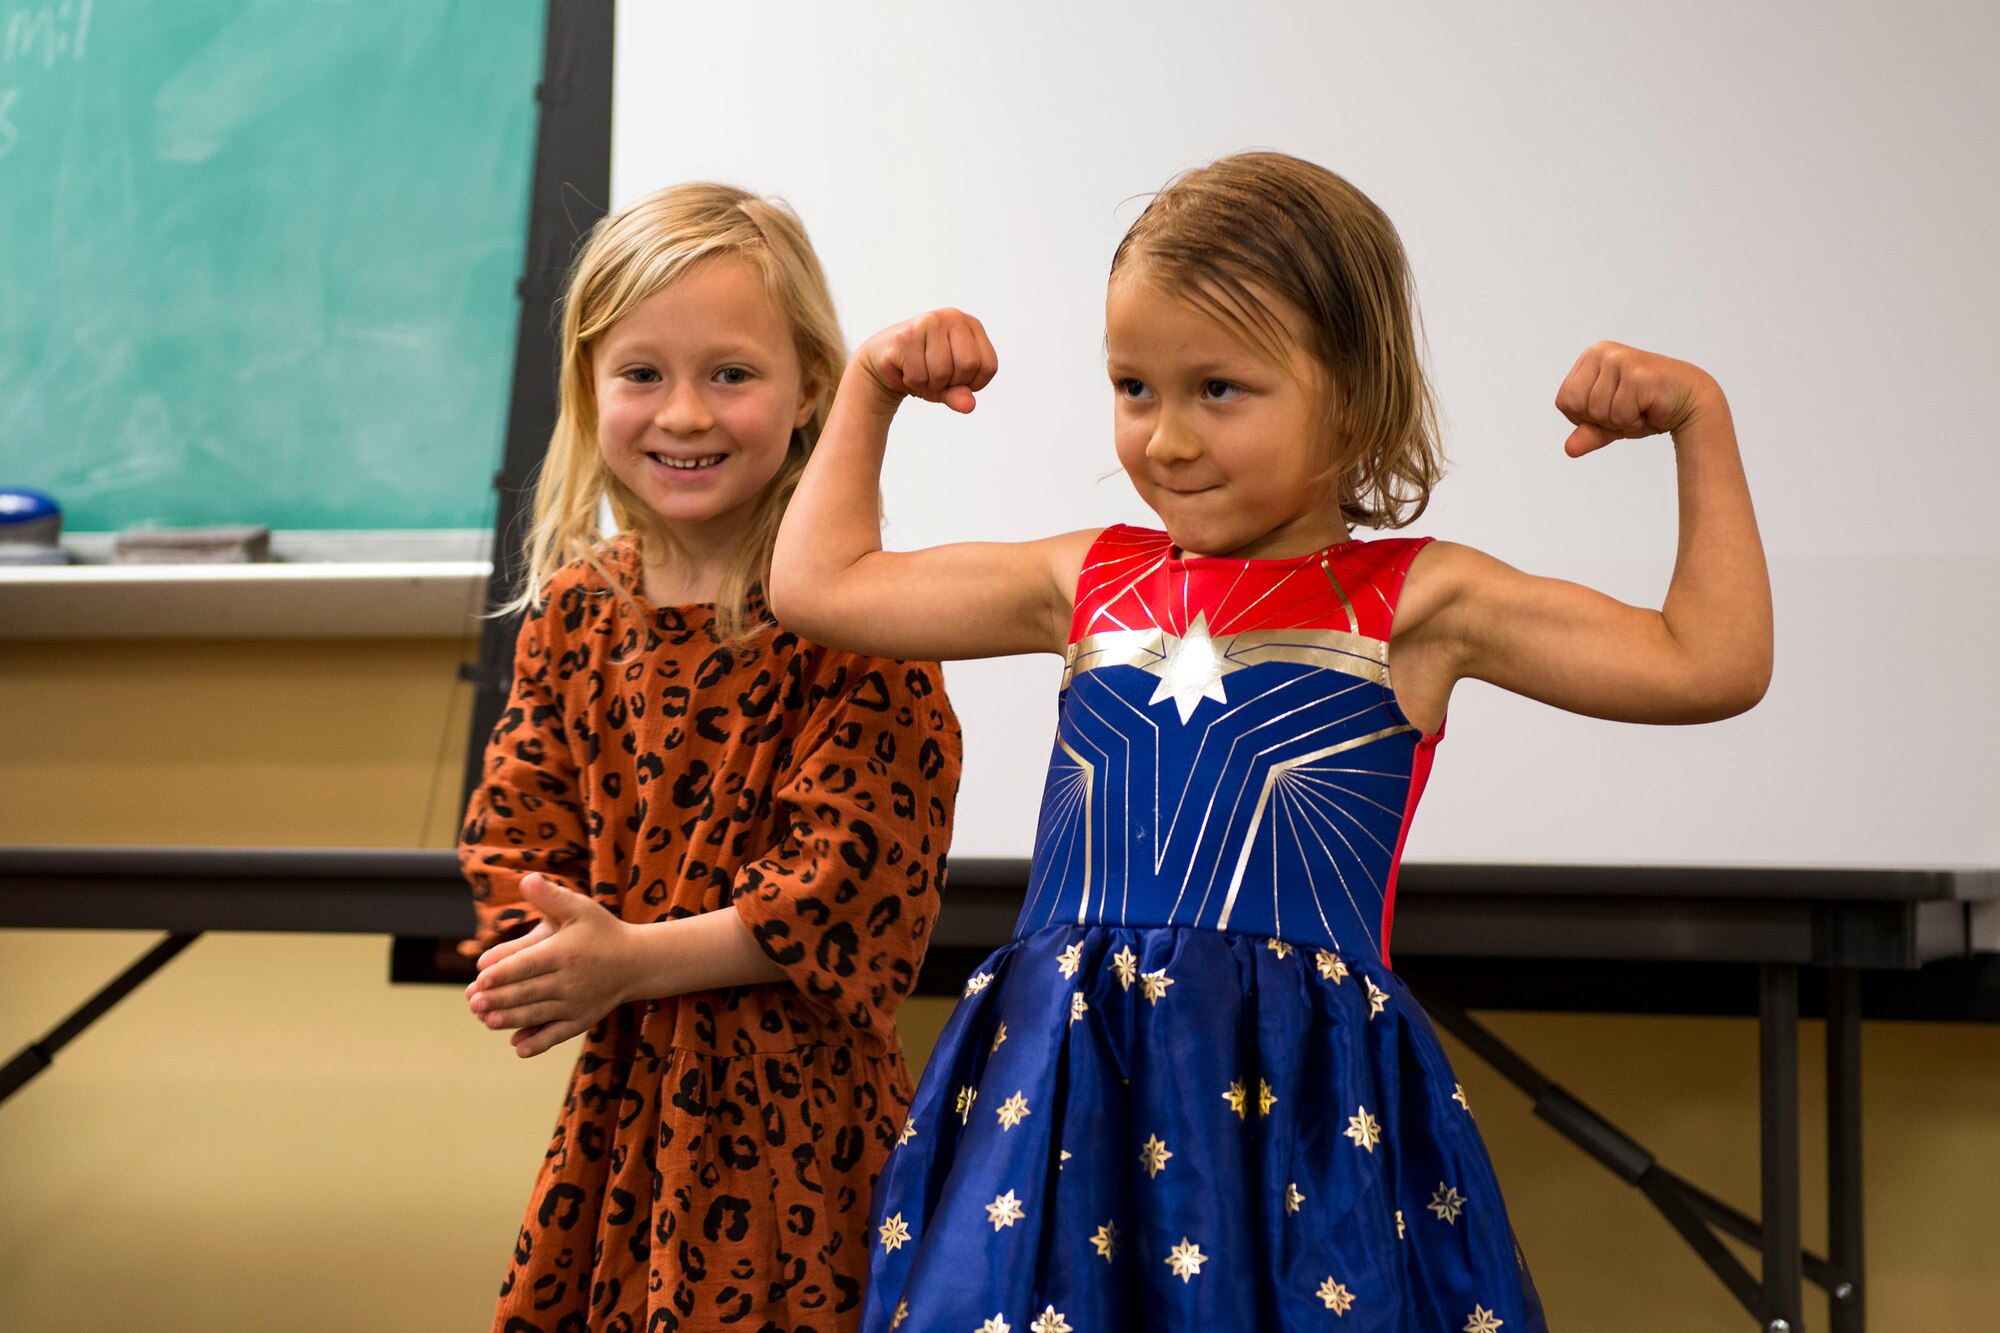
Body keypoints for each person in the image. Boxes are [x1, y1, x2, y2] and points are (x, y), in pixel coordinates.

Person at [769, 151, 1771, 1331]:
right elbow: (821, 585)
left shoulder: (1418, 602)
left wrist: (1699, 420)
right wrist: (872, 390)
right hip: (1062, 1094)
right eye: (1133, 387)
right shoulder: (1082, 580)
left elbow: (1707, 664)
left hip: (1301, 1110)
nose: (1167, 438)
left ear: (1349, 392)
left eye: (1219, 390)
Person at [457, 181, 963, 1333]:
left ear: (811, 394)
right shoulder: (577, 610)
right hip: (625, 1122)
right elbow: (515, 832)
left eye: (729, 374)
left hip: (805, 1140)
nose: (683, 412)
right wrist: (555, 952)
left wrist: (631, 957)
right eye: (642, 374)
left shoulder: (858, 618)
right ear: (590, 393)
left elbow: (852, 885)